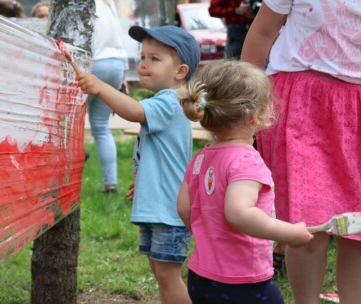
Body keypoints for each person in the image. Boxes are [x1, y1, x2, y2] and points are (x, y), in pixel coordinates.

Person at [241, 1, 361, 303]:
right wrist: (242, 103)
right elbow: (263, 31)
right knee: (308, 225)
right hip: (301, 105)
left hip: (357, 108)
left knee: (359, 229)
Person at [78, 25, 200, 303]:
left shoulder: (171, 101)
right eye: (143, 57)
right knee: (160, 271)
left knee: (168, 274)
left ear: (180, 72)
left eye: (155, 59)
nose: (144, 64)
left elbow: (134, 112)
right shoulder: (166, 100)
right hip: (159, 205)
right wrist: (145, 182)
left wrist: (101, 88)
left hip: (168, 210)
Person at [176, 60, 314, 304]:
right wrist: (290, 233)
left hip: (200, 276)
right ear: (253, 116)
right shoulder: (246, 161)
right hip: (242, 281)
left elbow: (184, 208)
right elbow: (239, 213)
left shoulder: (201, 158)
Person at [87, 0, 127, 193]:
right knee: (102, 128)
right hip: (116, 64)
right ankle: (110, 184)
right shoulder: (109, 4)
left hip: (94, 62)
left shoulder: (83, 3)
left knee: (69, 127)